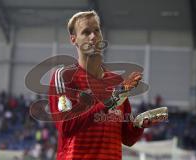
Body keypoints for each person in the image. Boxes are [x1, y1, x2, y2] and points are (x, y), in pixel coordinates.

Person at [48, 10, 144, 160]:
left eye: (96, 30)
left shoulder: (117, 82)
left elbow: (127, 138)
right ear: (73, 40)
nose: (93, 36)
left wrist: (140, 124)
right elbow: (67, 127)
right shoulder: (64, 77)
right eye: (86, 32)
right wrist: (110, 100)